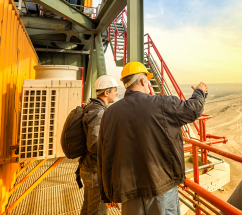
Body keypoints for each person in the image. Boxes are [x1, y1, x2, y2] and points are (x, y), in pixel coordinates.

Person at [97, 62, 208, 215]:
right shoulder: (162, 104)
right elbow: (193, 109)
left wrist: (106, 193)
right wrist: (200, 92)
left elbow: (103, 154)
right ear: (143, 81)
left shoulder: (109, 113)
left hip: (129, 192)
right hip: (161, 187)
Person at [80, 75, 119, 215]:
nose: (117, 93)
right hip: (94, 172)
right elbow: (94, 144)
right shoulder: (99, 112)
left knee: (88, 209)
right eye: (115, 90)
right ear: (106, 93)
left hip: (88, 167)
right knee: (98, 211)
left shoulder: (92, 107)